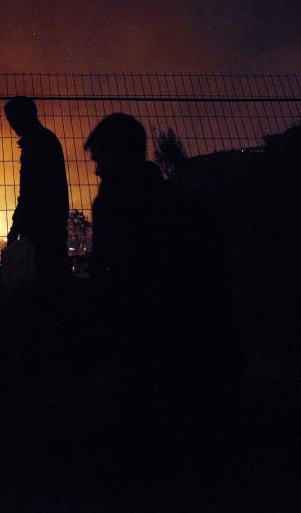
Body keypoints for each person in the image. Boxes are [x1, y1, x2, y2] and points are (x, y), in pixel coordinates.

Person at [85, 113, 243, 510]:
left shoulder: (117, 204)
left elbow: (113, 280)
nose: (99, 170)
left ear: (120, 153)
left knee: (147, 455)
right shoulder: (184, 202)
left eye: (101, 159)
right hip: (202, 349)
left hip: (149, 351)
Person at [2, 97, 71, 384]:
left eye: (14, 118)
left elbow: (30, 190)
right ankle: (60, 365)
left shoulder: (37, 145)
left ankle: (36, 371)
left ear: (26, 116)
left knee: (38, 298)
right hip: (49, 230)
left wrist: (18, 226)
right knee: (52, 297)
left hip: (43, 233)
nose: (12, 125)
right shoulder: (44, 141)